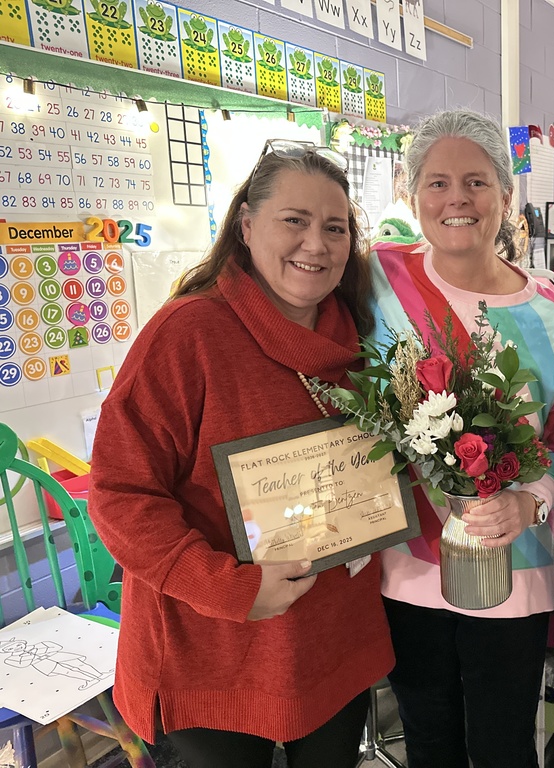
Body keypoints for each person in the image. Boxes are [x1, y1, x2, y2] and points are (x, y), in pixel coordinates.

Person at [89, 140, 393, 768]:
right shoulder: (187, 334)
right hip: (212, 654)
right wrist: (226, 588)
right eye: (294, 221)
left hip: (331, 643)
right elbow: (120, 494)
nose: (316, 243)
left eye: (334, 228)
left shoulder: (366, 341)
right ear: (247, 226)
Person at [367, 109, 554, 768]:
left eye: (476, 182)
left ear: (507, 198)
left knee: (504, 750)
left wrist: (531, 502)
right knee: (429, 745)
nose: (455, 198)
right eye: (435, 183)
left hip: (513, 572)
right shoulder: (372, 283)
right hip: (406, 573)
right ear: (410, 195)